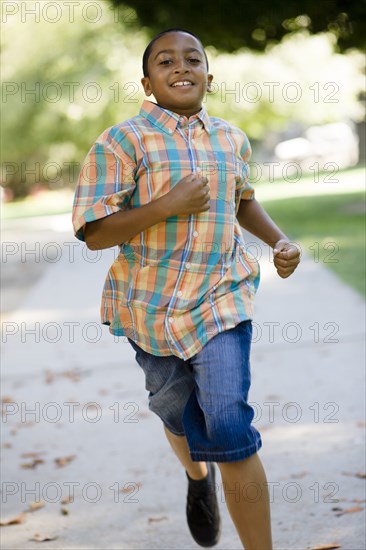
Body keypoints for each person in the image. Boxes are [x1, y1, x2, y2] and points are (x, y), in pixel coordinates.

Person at [72, 28, 300, 550]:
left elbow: (242, 200)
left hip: (222, 298)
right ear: (147, 80)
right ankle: (199, 478)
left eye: (192, 58)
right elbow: (93, 231)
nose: (181, 66)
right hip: (150, 308)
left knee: (228, 425)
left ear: (208, 75)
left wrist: (280, 241)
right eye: (166, 60)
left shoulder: (230, 138)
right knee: (176, 411)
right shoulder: (122, 140)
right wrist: (165, 206)